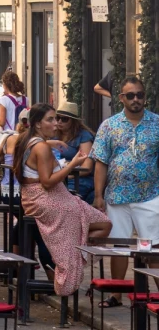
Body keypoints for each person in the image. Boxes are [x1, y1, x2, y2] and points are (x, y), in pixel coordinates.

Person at [17, 103, 111, 296]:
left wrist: (50, 144)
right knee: (91, 220)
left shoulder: (27, 141)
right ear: (37, 124)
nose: (56, 124)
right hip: (45, 198)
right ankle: (67, 264)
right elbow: (48, 182)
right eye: (50, 119)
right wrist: (73, 164)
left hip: (36, 196)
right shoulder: (40, 147)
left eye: (57, 119)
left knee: (104, 224)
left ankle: (72, 253)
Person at [92, 76, 159, 302]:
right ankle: (116, 294)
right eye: (130, 95)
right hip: (117, 196)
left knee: (153, 246)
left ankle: (158, 296)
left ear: (145, 97)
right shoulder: (109, 126)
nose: (136, 99)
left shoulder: (157, 123)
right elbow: (101, 162)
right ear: (121, 98)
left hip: (149, 195)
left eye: (139, 95)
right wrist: (99, 195)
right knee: (119, 245)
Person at [55, 102, 95, 203]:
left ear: (73, 121)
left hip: (77, 178)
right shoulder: (53, 134)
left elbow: (87, 168)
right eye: (57, 117)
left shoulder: (84, 136)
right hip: (56, 177)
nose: (59, 121)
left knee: (63, 199)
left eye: (64, 119)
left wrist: (66, 175)